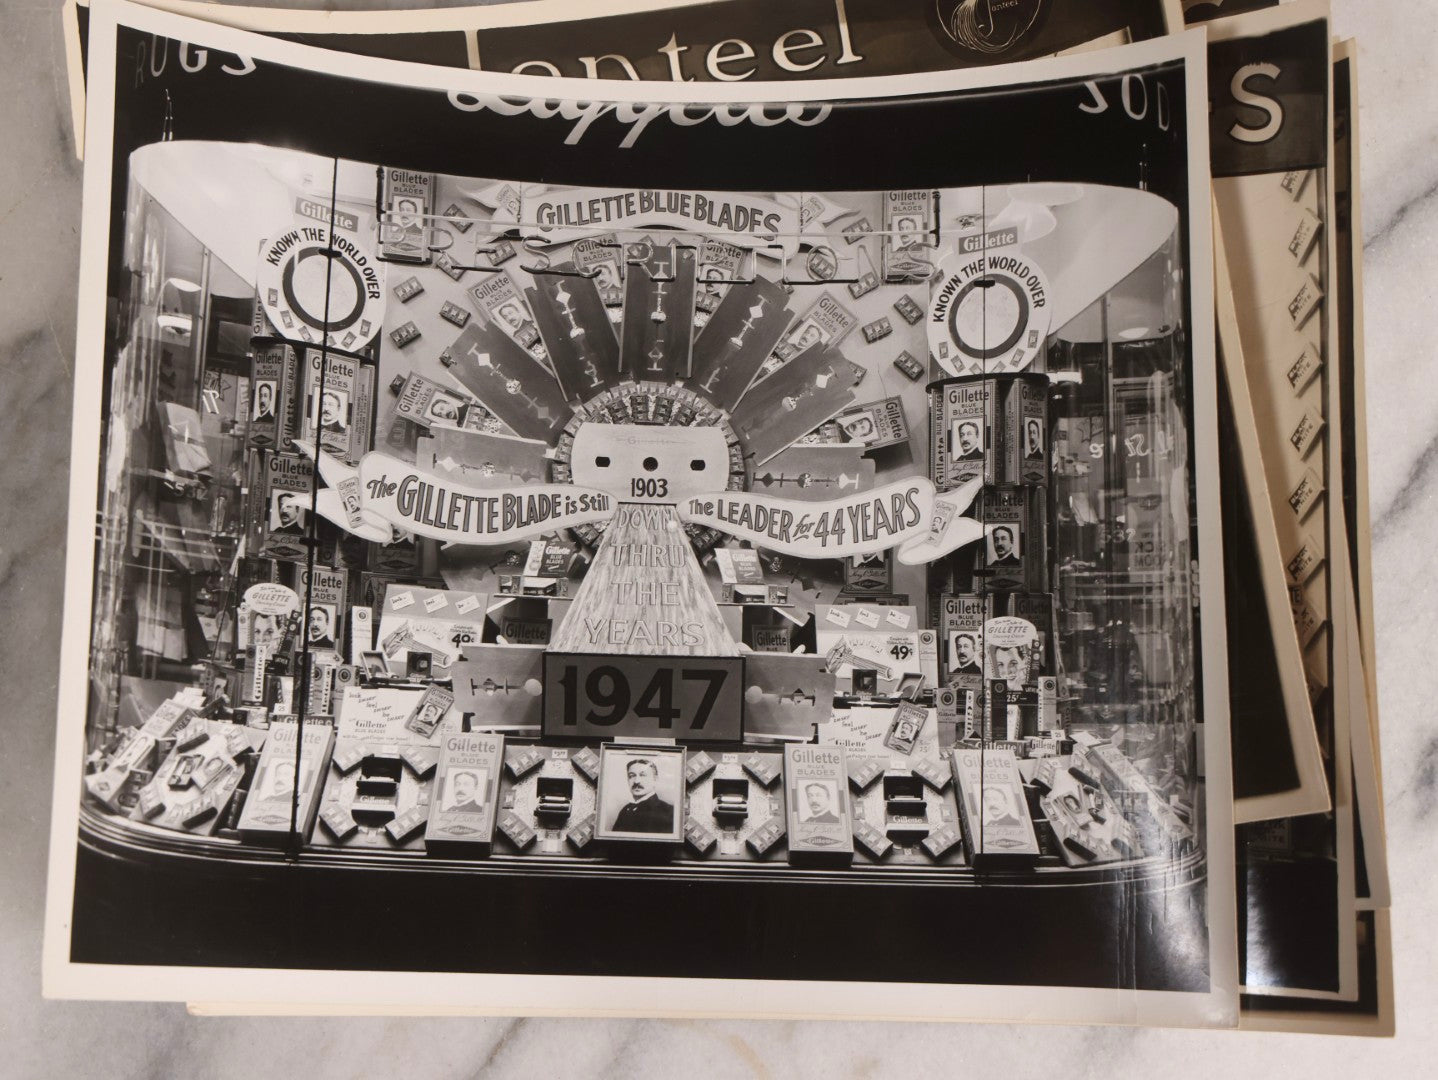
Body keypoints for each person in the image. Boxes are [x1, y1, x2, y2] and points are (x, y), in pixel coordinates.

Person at [610, 758, 675, 834]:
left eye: (643, 775)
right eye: (631, 776)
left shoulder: (669, 812)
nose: (636, 781)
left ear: (655, 779)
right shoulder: (625, 810)